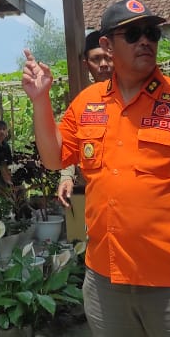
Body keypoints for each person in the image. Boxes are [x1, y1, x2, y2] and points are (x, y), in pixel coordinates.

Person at [23, 0, 170, 337]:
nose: (146, 41)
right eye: (134, 33)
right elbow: (54, 158)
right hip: (106, 282)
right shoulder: (87, 103)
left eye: (152, 33)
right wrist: (40, 100)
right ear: (107, 46)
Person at [57, 30, 112, 207]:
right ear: (86, 64)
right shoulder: (82, 104)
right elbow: (70, 143)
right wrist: (66, 177)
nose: (103, 64)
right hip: (99, 203)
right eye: (96, 59)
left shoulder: (136, 97)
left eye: (107, 57)